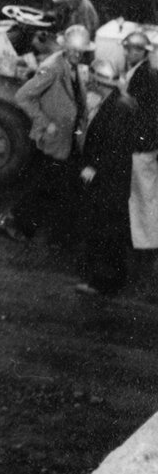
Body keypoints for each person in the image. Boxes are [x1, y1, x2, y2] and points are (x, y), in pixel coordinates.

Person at [0, 22, 92, 242]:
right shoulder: (53, 67)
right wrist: (44, 121)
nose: (77, 54)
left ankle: (50, 229)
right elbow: (23, 96)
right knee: (43, 184)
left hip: (68, 138)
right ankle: (14, 220)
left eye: (81, 51)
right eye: (74, 50)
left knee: (56, 183)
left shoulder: (73, 66)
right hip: (53, 139)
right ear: (65, 47)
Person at [74, 58, 138, 297]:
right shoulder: (122, 103)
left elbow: (113, 146)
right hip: (116, 181)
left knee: (104, 232)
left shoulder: (116, 108)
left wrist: (93, 167)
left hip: (108, 182)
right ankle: (112, 279)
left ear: (100, 84)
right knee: (113, 232)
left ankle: (102, 282)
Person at [122, 29, 158, 253]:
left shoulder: (143, 76)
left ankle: (148, 241)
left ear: (142, 52)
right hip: (147, 143)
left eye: (134, 50)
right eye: (127, 49)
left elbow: (141, 112)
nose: (129, 53)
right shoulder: (144, 71)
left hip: (142, 145)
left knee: (144, 194)